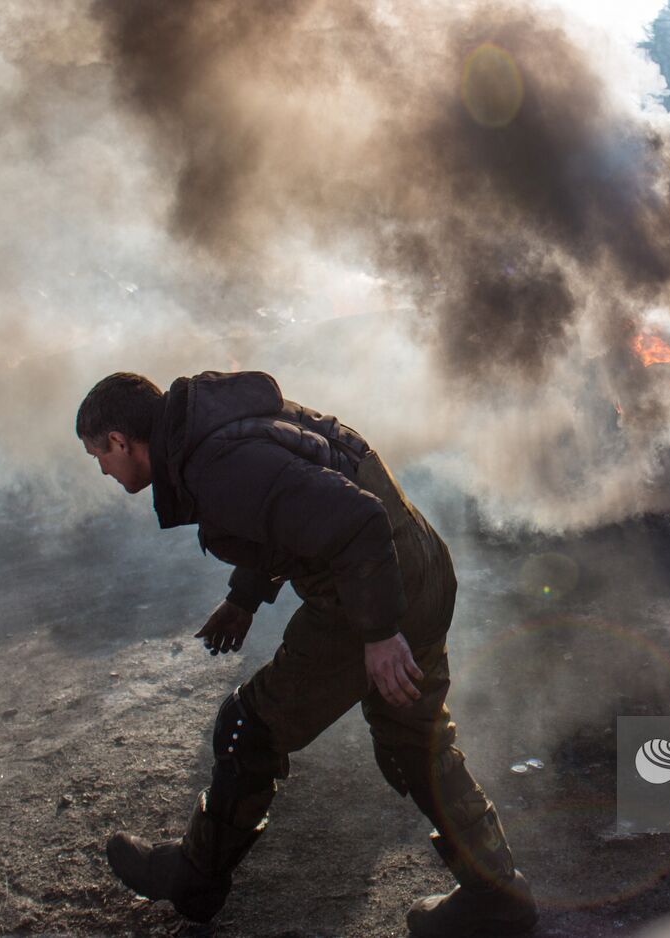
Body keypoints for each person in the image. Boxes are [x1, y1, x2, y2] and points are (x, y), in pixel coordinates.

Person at [76, 370, 537, 936]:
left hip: (371, 588)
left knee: (249, 728)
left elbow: (353, 519)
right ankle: (498, 895)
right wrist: (245, 598)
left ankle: (194, 877)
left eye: (99, 454)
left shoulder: (216, 464)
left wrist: (379, 633)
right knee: (416, 737)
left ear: (122, 441)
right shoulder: (212, 429)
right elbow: (284, 513)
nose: (102, 468)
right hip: (416, 563)